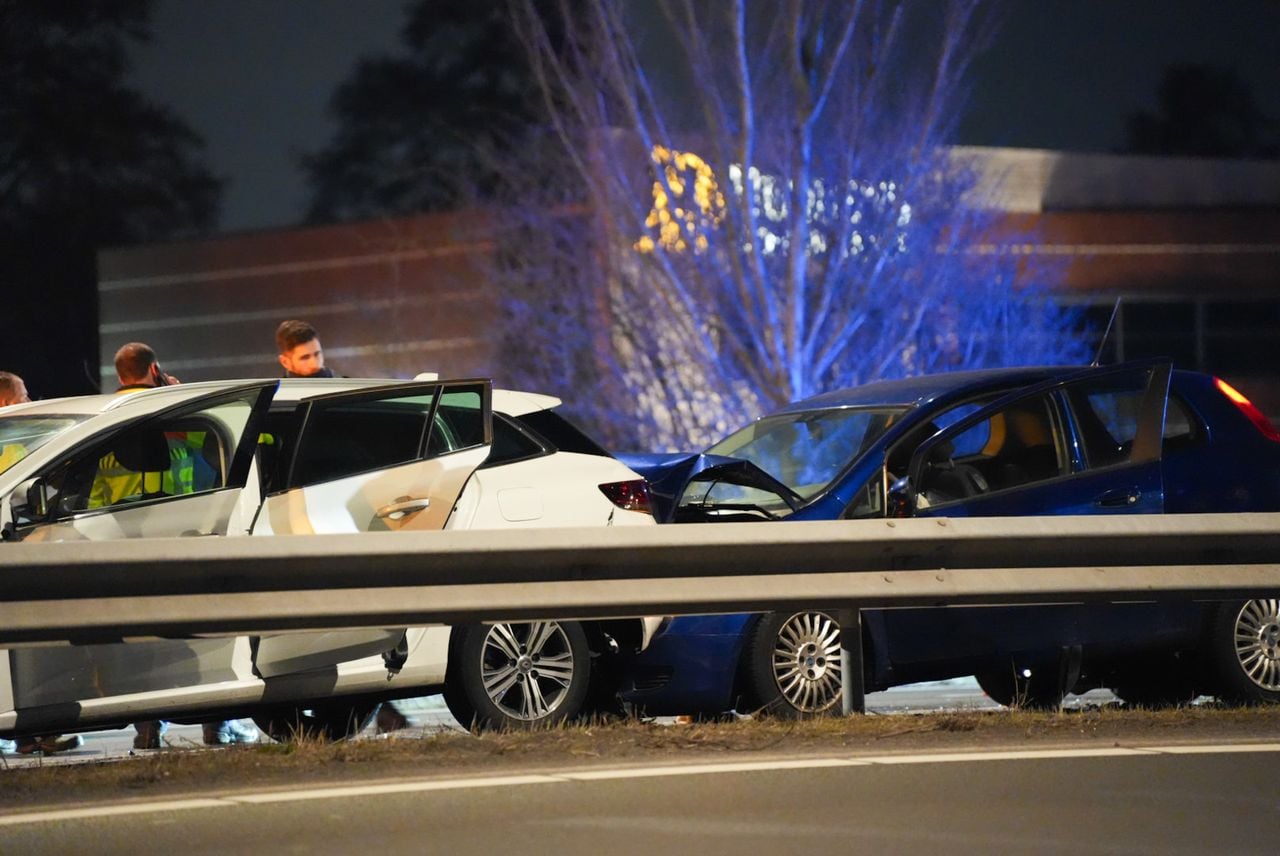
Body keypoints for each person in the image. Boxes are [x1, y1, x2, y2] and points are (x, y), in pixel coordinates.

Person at [108, 344, 260, 749]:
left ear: (119, 374)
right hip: (185, 537)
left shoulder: (105, 420)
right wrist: (182, 394)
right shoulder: (172, 411)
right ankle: (216, 726)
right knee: (204, 634)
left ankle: (148, 730)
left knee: (144, 642)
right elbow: (213, 454)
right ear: (154, 369)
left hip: (122, 547)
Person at [0, 372, 85, 755]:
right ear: (5, 403)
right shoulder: (13, 442)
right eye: (23, 395)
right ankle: (33, 733)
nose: (30, 399)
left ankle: (29, 734)